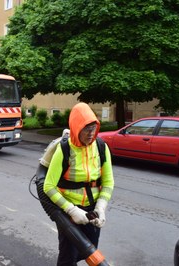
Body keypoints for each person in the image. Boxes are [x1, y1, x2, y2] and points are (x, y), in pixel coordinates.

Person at [43, 102, 114, 266]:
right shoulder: (64, 149)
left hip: (92, 211)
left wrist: (101, 208)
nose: (91, 133)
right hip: (69, 213)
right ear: (76, 128)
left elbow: (108, 181)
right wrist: (71, 210)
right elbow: (48, 186)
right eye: (86, 128)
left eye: (93, 128)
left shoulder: (101, 147)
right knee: (68, 256)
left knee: (90, 250)